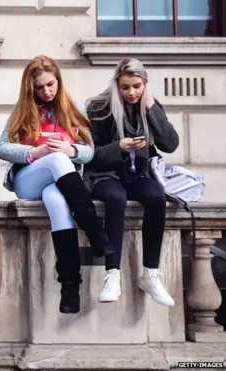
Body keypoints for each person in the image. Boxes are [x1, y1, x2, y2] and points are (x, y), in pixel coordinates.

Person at [0, 55, 114, 314]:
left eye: (51, 84)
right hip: (29, 179)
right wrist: (36, 152)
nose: (46, 91)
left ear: (59, 81)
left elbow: (89, 152)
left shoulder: (73, 110)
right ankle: (94, 231)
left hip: (58, 182)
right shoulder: (23, 111)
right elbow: (1, 147)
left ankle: (70, 286)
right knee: (57, 160)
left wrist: (70, 149)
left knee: (57, 201)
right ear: (30, 87)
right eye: (40, 87)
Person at [85, 58, 179, 306]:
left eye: (137, 86)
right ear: (117, 84)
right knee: (116, 199)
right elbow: (89, 154)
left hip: (138, 175)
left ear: (145, 84)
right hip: (104, 175)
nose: (131, 92)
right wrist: (118, 147)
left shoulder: (149, 106)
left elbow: (170, 144)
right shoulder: (98, 108)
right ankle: (112, 274)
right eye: (125, 87)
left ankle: (150, 274)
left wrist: (151, 109)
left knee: (157, 197)